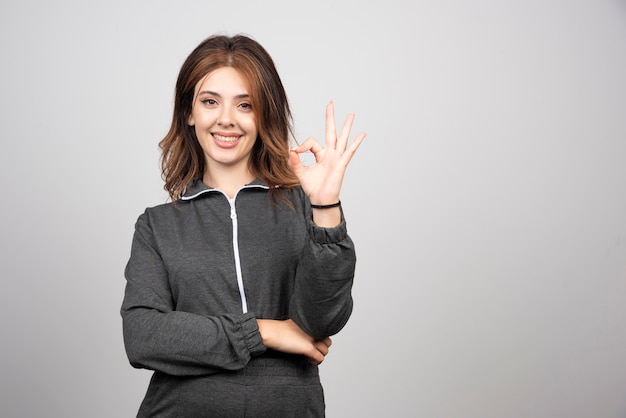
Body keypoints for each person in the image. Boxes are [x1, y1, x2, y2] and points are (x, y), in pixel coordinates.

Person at [121, 33, 366, 417]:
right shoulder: (157, 226)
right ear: (190, 112)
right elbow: (143, 337)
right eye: (209, 101)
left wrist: (324, 206)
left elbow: (322, 321)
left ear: (263, 114)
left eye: (245, 105)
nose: (226, 119)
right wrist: (265, 331)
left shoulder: (304, 208)